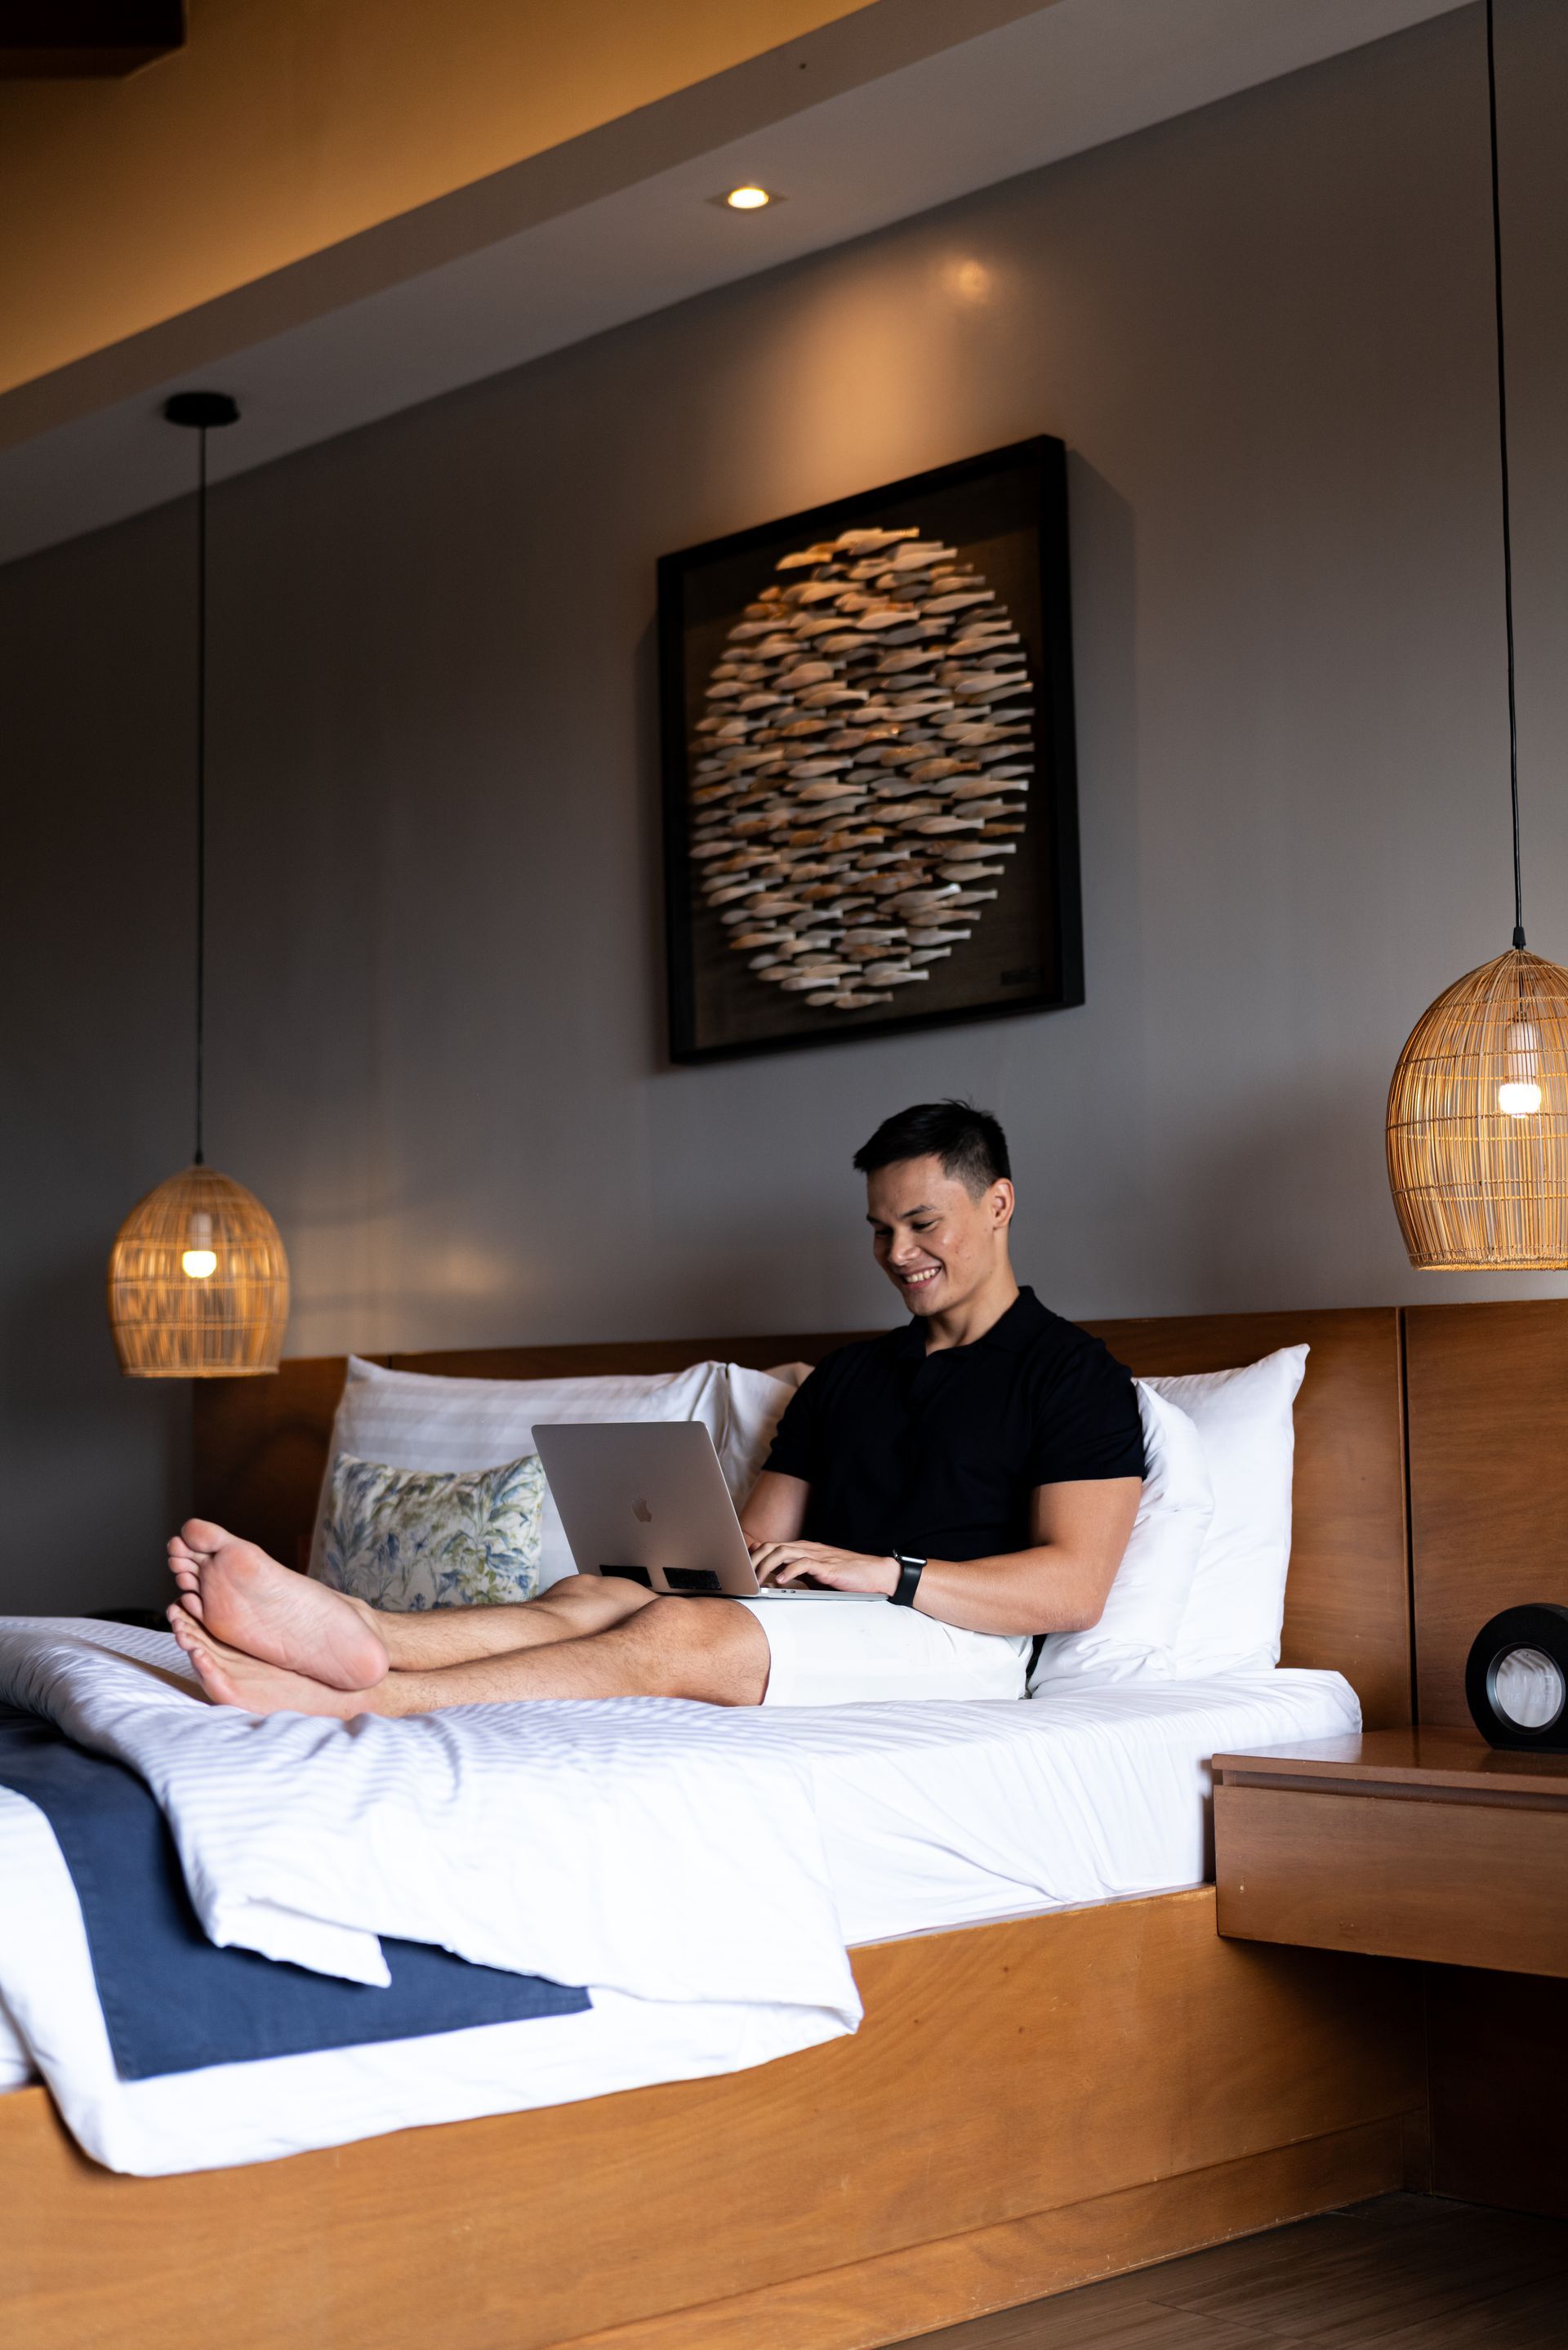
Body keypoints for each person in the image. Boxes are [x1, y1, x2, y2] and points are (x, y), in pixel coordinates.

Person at [166, 1101, 1144, 1716]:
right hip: (820, 1614)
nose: (897, 1253)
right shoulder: (849, 1375)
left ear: (999, 1204)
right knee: (603, 1595)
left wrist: (880, 1572)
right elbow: (756, 1541)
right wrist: (709, 1560)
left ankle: (362, 1699)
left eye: (922, 1224)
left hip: (954, 1644)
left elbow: (1071, 1588)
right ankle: (355, 1621)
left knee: (681, 1636)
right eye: (880, 1229)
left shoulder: (1070, 1374)